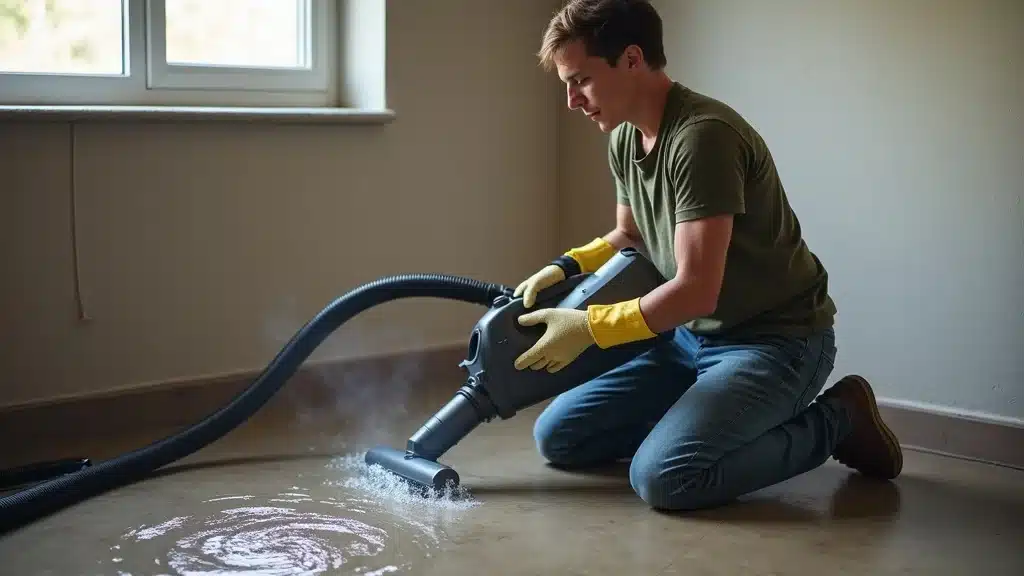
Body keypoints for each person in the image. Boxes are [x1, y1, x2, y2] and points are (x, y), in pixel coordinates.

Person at [511, 0, 902, 511]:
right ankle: (702, 424)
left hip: (773, 341)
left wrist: (589, 327)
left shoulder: (703, 138)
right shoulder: (624, 136)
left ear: (631, 59)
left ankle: (838, 420)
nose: (571, 100)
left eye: (580, 80)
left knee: (665, 480)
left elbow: (696, 289)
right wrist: (567, 266)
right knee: (559, 438)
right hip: (687, 338)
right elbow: (630, 235)